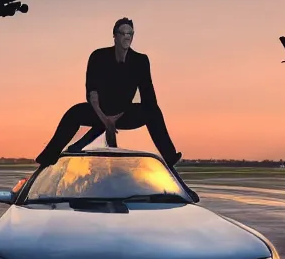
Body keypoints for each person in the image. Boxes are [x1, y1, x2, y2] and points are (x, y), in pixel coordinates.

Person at [34, 17, 182, 167]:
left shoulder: (140, 60)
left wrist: (116, 118)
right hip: (99, 112)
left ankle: (170, 158)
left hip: (124, 114)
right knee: (73, 113)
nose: (127, 37)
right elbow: (91, 92)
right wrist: (106, 120)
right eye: (123, 33)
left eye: (130, 34)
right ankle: (48, 158)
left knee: (153, 111)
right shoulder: (98, 56)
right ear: (115, 36)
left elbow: (148, 96)